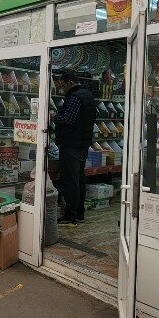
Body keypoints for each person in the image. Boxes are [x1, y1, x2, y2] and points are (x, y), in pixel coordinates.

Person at [52, 71, 96, 227]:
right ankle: (79, 214)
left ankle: (70, 217)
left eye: (63, 86)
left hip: (72, 144)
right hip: (82, 143)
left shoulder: (75, 97)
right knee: (78, 179)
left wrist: (53, 117)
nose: (62, 89)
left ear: (70, 82)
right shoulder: (88, 95)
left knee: (70, 180)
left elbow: (68, 119)